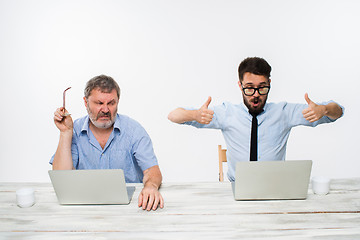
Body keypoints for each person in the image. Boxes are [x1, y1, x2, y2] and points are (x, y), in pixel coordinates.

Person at [168, 57, 344, 181]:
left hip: (275, 186)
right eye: (249, 88)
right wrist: (194, 115)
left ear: (269, 84)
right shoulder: (227, 113)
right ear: (240, 85)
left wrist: (325, 109)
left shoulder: (283, 112)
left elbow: (339, 112)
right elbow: (173, 116)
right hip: (236, 186)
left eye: (262, 88)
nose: (256, 95)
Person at [51, 75, 164, 211]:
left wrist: (151, 187)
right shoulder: (74, 130)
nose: (105, 110)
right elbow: (63, 179)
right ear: (86, 102)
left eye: (111, 103)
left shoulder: (134, 130)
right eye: (99, 103)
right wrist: (65, 133)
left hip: (130, 207)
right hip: (84, 207)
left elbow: (153, 171)